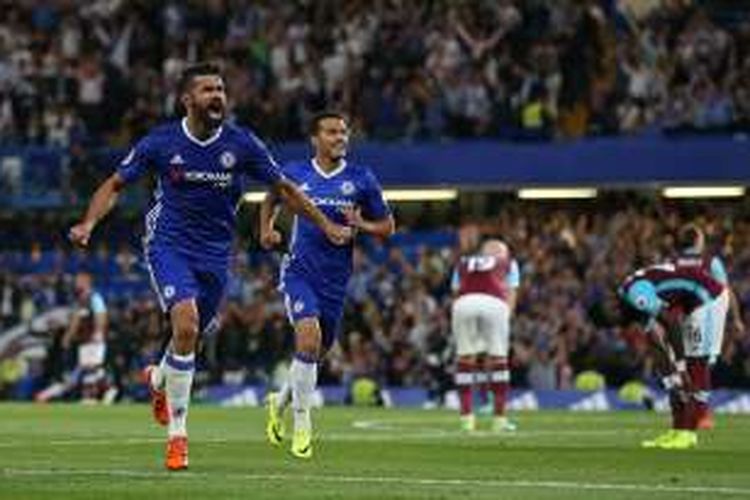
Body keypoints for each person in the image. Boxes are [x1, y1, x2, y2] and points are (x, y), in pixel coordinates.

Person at [68, 63, 351, 471]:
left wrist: (324, 222)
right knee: (185, 324)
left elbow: (284, 189)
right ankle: (178, 438)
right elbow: (115, 184)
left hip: (217, 254)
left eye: (220, 88)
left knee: (191, 335)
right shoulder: (162, 142)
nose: (217, 95)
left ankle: (158, 380)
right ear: (187, 99)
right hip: (169, 245)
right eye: (207, 90)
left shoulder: (243, 144)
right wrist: (88, 222)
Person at [260, 111, 395, 459]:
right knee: (308, 338)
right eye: (332, 132)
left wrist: (361, 223)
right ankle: (302, 426)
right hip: (300, 272)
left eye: (344, 132)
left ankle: (281, 401)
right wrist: (266, 228)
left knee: (317, 352)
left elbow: (387, 227)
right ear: (315, 139)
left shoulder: (361, 179)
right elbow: (271, 197)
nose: (340, 138)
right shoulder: (295, 172)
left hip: (336, 280)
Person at [619, 261, 725, 450]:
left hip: (708, 297)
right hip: (690, 301)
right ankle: (677, 431)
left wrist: (681, 367)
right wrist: (670, 379)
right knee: (677, 379)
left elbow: (671, 323)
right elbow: (654, 342)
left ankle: (688, 434)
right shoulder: (631, 302)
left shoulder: (637, 295)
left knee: (695, 365)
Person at [672, 224, 744, 429]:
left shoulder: (673, 263)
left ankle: (691, 412)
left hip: (679, 320)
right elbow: (726, 292)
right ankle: (701, 414)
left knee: (685, 366)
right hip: (706, 319)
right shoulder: (710, 262)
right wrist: (736, 318)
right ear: (697, 240)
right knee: (702, 366)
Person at [451, 239, 520, 432]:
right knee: (499, 360)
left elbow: (456, 292)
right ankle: (499, 419)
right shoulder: (509, 262)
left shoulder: (463, 262)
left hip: (463, 304)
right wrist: (506, 318)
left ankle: (466, 419)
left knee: (465, 359)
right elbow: (511, 293)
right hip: (494, 302)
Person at [35, 272, 115, 404]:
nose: (76, 282)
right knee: (87, 367)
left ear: (87, 281)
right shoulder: (80, 299)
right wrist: (68, 336)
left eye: (79, 280)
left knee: (90, 367)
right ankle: (101, 391)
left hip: (93, 338)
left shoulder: (94, 297)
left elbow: (101, 314)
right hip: (83, 340)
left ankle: (100, 392)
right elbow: (76, 321)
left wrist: (99, 333)